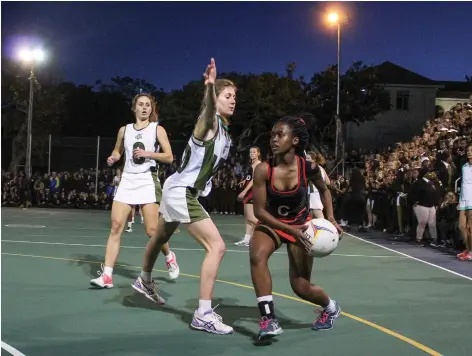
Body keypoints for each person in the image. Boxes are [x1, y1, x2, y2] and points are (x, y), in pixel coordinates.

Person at [131, 58, 236, 335]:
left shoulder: (224, 132)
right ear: (215, 98)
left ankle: (144, 279)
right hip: (182, 192)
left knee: (161, 236)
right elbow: (208, 112)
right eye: (228, 96)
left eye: (234, 96)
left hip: (177, 188)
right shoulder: (208, 123)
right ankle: (203, 313)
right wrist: (211, 87)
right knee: (218, 247)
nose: (233, 100)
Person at [249, 114, 343, 340]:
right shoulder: (263, 169)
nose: (274, 139)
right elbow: (259, 211)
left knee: (300, 286)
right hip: (273, 223)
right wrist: (288, 230)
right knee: (257, 255)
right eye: (272, 134)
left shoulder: (309, 168)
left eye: (280, 134)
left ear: (295, 141)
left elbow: (324, 190)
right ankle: (269, 320)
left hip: (301, 226)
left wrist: (330, 219)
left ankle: (330, 307)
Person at [90, 93, 180, 288]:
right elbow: (118, 150)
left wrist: (148, 153)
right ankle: (107, 276)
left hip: (147, 179)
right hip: (127, 180)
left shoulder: (158, 129)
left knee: (152, 230)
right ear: (134, 108)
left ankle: (169, 256)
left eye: (148, 105)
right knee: (115, 227)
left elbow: (170, 157)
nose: (144, 107)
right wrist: (114, 157)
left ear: (151, 109)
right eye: (141, 104)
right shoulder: (125, 130)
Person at [235, 146, 262, 246]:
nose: (252, 154)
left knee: (251, 217)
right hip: (249, 190)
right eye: (250, 152)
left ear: (258, 153)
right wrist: (244, 181)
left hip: (252, 192)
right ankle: (247, 238)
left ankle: (266, 228)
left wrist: (244, 191)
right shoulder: (252, 163)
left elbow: (255, 179)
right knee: (247, 217)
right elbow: (249, 177)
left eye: (254, 152)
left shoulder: (258, 164)